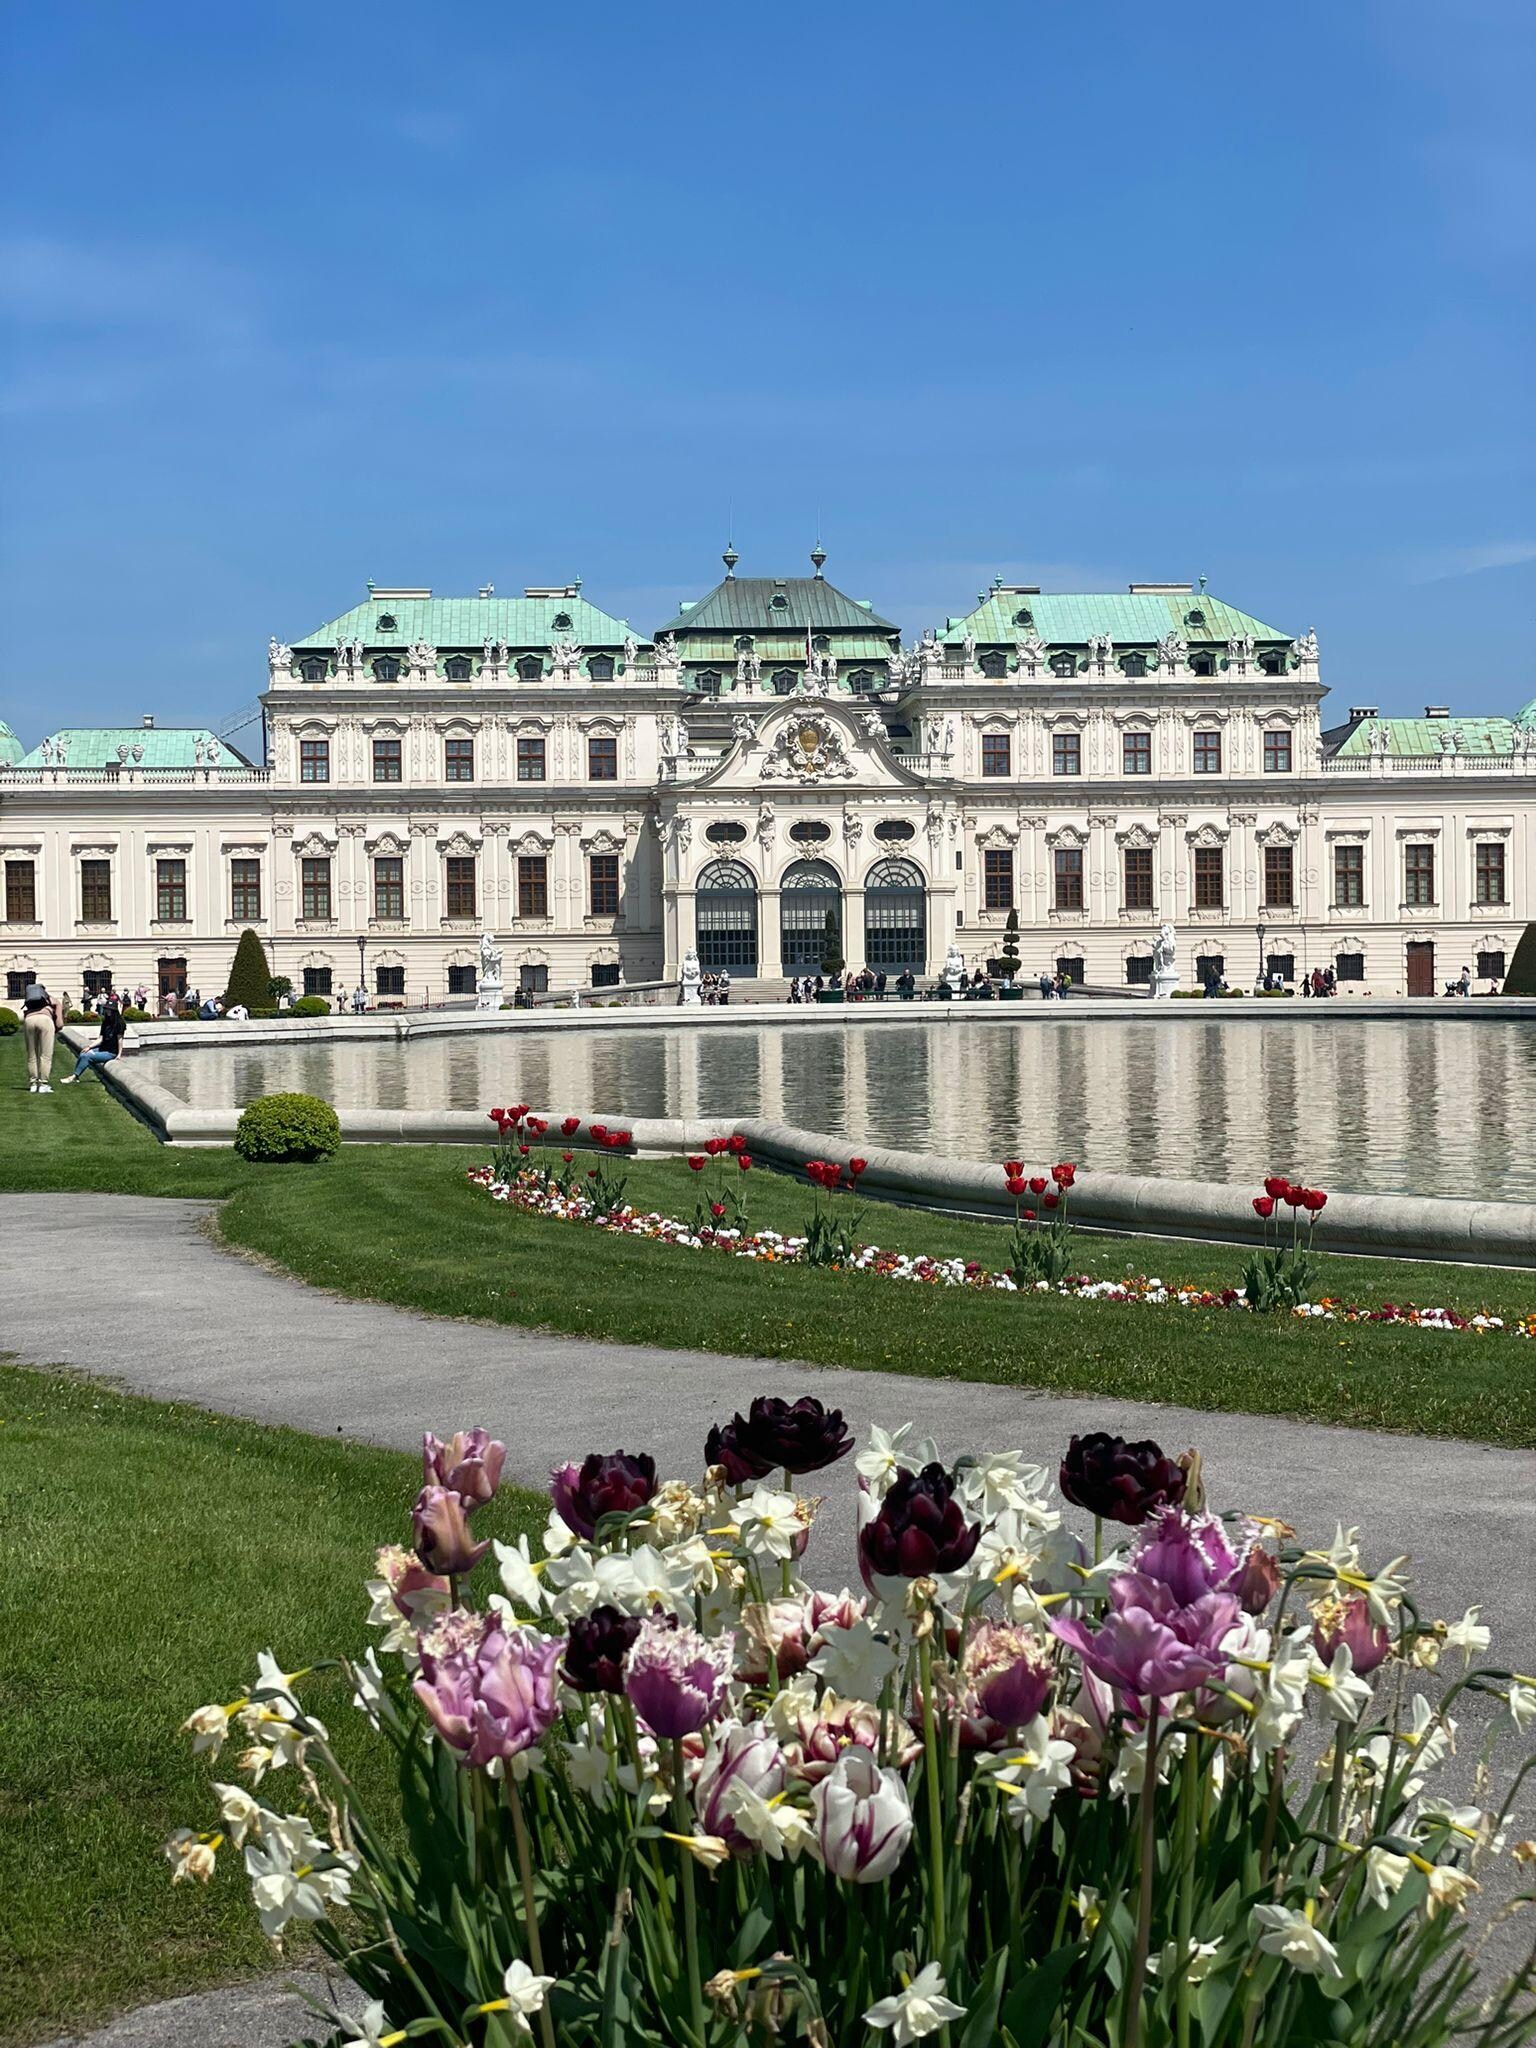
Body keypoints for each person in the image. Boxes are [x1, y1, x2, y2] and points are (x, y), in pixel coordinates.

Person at [60, 997, 125, 1086]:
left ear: (114, 1011)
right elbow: (100, 1039)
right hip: (102, 1048)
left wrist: (119, 1054)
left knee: (87, 1057)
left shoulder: (119, 1023)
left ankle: (74, 1077)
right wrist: (90, 1047)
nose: (107, 1012)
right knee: (83, 1053)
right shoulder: (106, 1022)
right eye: (107, 1009)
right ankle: (76, 1076)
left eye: (110, 1010)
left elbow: (120, 1039)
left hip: (111, 1052)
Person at [22, 981, 62, 1093]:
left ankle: (33, 1084)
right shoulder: (52, 1000)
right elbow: (60, 1024)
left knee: (31, 1055)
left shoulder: (29, 1001)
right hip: (45, 1020)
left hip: (29, 1020)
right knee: (46, 1055)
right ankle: (43, 1084)